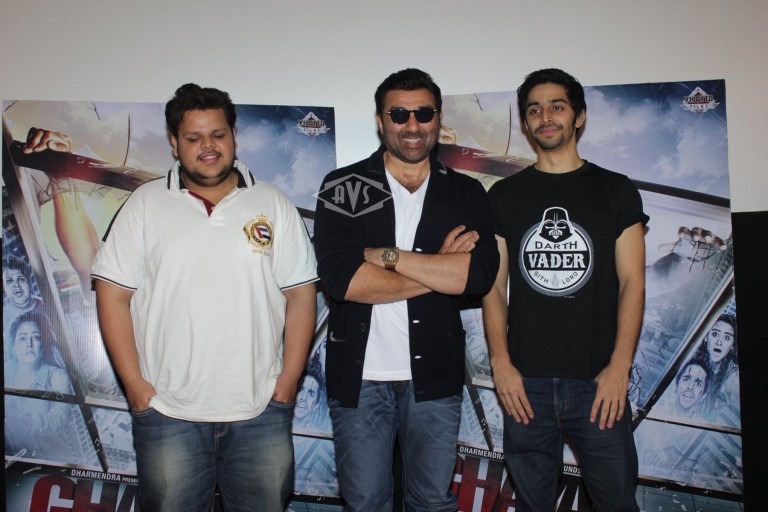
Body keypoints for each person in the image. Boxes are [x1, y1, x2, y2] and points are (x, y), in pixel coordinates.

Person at [91, 83, 318, 512]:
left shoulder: (272, 202)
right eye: (194, 137)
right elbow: (112, 294)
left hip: (259, 410)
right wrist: (136, 387)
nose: (208, 146)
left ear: (233, 136)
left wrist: (287, 382)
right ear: (174, 143)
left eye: (217, 134)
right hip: (167, 412)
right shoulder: (144, 204)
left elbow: (302, 295)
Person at [313, 68, 499, 512]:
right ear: (381, 120)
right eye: (399, 114)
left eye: (423, 113)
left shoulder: (465, 191)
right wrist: (439, 267)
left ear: (438, 118)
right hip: (359, 379)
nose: (412, 125)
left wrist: (387, 256)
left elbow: (476, 276)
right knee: (365, 503)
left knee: (431, 502)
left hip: (434, 375)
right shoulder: (344, 186)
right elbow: (344, 282)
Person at [482, 68, 648, 512]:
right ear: (525, 122)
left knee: (617, 504)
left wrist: (619, 366)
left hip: (598, 382)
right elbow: (493, 286)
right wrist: (500, 363)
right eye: (534, 109)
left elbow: (633, 282)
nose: (546, 117)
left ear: (579, 116)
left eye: (557, 106)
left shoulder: (615, 190)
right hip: (525, 386)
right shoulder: (503, 196)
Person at [4, 311, 87, 464]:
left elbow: (60, 418)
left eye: (35, 337)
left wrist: (26, 420)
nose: (29, 344)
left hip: (56, 460)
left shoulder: (57, 376)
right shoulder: (7, 371)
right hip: (17, 459)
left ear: (43, 345)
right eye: (22, 338)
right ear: (13, 346)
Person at [693, 314, 739, 419]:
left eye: (727, 337)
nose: (719, 342)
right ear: (706, 337)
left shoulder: (734, 377)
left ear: (732, 346)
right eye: (715, 334)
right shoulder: (696, 363)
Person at [3, 255, 46, 342]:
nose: (16, 285)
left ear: (30, 281)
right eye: (10, 281)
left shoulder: (45, 306)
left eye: (21, 279)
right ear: (4, 287)